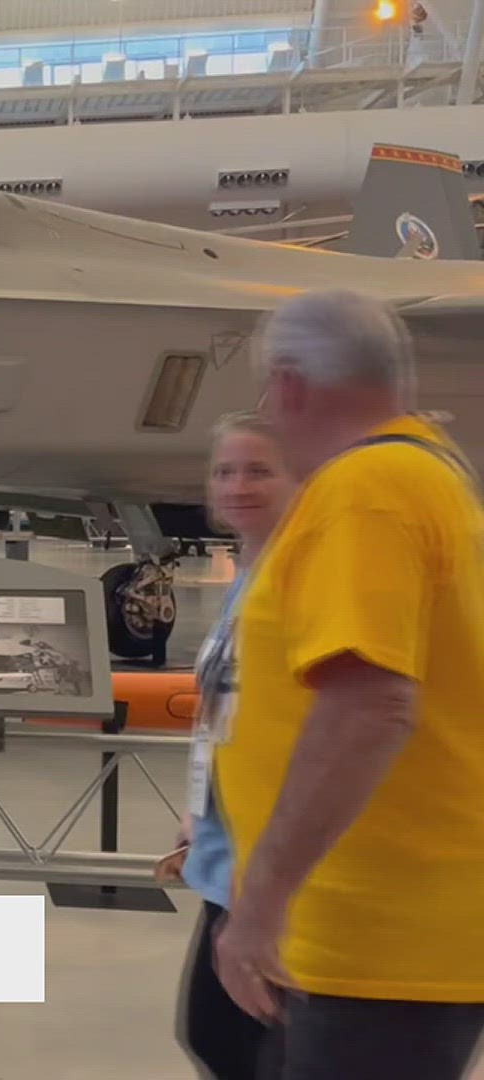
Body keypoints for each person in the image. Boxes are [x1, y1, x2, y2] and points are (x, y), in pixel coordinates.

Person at [213, 288, 484, 1079]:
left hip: (371, 946)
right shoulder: (427, 476)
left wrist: (260, 905)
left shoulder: (365, 491)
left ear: (290, 386)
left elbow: (371, 704)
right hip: (379, 939)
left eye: (268, 392)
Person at [153, 412, 292, 1080]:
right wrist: (199, 810)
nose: (237, 486)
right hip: (223, 854)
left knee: (253, 1049)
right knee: (213, 1039)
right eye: (225, 471)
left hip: (271, 871)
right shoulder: (248, 578)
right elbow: (228, 708)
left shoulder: (299, 580)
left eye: (259, 470)